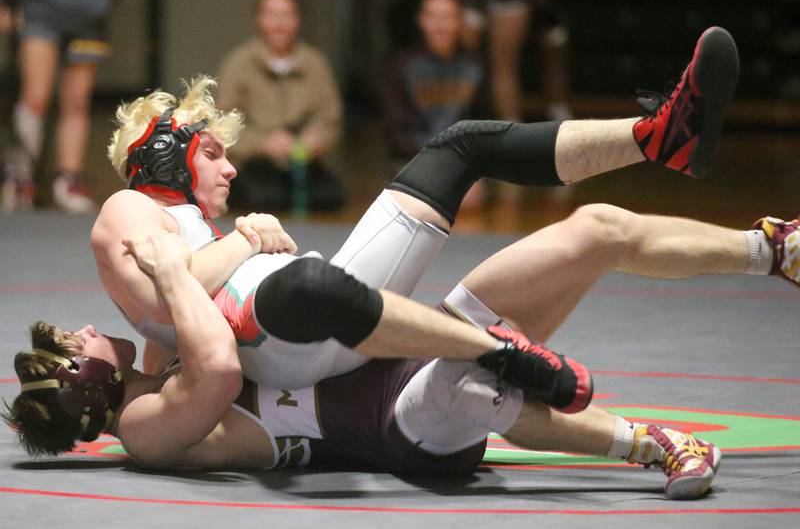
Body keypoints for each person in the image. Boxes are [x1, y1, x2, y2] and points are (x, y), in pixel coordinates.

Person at [90, 26, 745, 400]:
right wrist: (248, 240)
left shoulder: (164, 229)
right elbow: (171, 288)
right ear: (169, 159)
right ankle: (655, 139)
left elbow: (170, 324)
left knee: (462, 149)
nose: (231, 168)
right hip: (295, 328)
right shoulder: (125, 208)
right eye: (212, 153)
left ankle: (659, 137)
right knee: (460, 149)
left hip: (296, 337)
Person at [5, 230, 724, 500]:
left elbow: (186, 274)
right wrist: (171, 272)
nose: (89, 328)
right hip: (397, 424)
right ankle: (654, 443)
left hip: (397, 354)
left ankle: (772, 248)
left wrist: (230, 240)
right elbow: (220, 367)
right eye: (76, 343)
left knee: (589, 230)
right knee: (469, 386)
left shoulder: (154, 367)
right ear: (82, 382)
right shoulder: (143, 428)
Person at [0, 0, 137, 213]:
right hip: (39, 11)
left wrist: (105, 0)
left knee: (77, 102)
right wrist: (8, 1)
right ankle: (19, 180)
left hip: (89, 17)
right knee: (35, 96)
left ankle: (68, 181)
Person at [216, 0, 345, 212]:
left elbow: (329, 117)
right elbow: (222, 123)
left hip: (302, 161)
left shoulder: (314, 62)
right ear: (259, 19)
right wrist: (262, 143)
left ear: (298, 20)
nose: (280, 23)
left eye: (287, 15)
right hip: (253, 162)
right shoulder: (239, 63)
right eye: (272, 15)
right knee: (263, 198)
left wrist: (315, 139)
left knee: (330, 196)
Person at [381, 0, 486, 208]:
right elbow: (395, 129)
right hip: (413, 161)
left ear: (459, 22)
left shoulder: (474, 66)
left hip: (463, 161)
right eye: (433, 17)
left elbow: (486, 122)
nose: (440, 26)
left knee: (469, 200)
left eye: (448, 17)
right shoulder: (401, 66)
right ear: (421, 20)